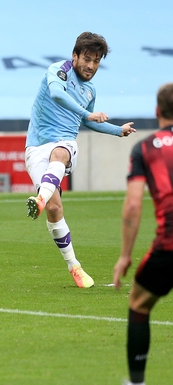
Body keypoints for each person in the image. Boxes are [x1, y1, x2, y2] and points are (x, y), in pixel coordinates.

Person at [24, 32, 135, 288]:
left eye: (96, 61)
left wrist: (118, 130)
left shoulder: (90, 90)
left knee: (61, 153)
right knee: (54, 209)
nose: (91, 66)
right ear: (74, 56)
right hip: (36, 147)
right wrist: (88, 113)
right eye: (87, 59)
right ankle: (74, 266)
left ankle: (40, 197)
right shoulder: (58, 71)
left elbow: (87, 122)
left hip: (64, 143)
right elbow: (57, 95)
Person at [113, 83, 173, 385]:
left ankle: (137, 382)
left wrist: (125, 256)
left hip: (169, 246)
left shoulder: (145, 148)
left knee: (138, 303)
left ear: (157, 111)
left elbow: (133, 206)